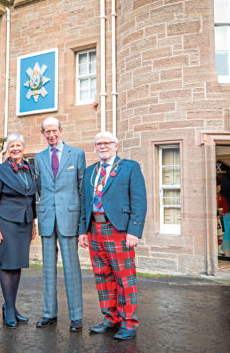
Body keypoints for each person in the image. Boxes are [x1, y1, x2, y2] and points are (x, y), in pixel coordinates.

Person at [79, 131, 147, 340]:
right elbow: (84, 204)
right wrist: (82, 231)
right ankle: (110, 318)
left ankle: (128, 322)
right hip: (95, 230)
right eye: (99, 143)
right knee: (102, 276)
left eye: (107, 143)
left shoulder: (130, 167)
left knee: (124, 279)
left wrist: (134, 232)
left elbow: (139, 201)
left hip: (119, 230)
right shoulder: (90, 171)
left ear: (116, 145)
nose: (103, 146)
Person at [34, 117, 86, 332]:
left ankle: (76, 316)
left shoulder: (77, 154)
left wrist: (83, 224)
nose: (51, 135)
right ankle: (49, 314)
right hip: (47, 217)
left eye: (54, 130)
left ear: (61, 130)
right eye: (47, 132)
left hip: (70, 218)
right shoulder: (38, 158)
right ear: (43, 133)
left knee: (71, 268)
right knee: (47, 269)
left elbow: (82, 190)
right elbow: (39, 188)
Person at [0, 134, 37, 328]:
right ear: (7, 149)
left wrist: (33, 224)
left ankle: (12, 306)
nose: (15, 149)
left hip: (24, 222)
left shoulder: (29, 169)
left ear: (23, 148)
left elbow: (32, 199)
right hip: (6, 222)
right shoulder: (0, 170)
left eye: (18, 145)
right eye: (12, 146)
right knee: (8, 265)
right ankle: (8, 309)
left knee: (17, 265)